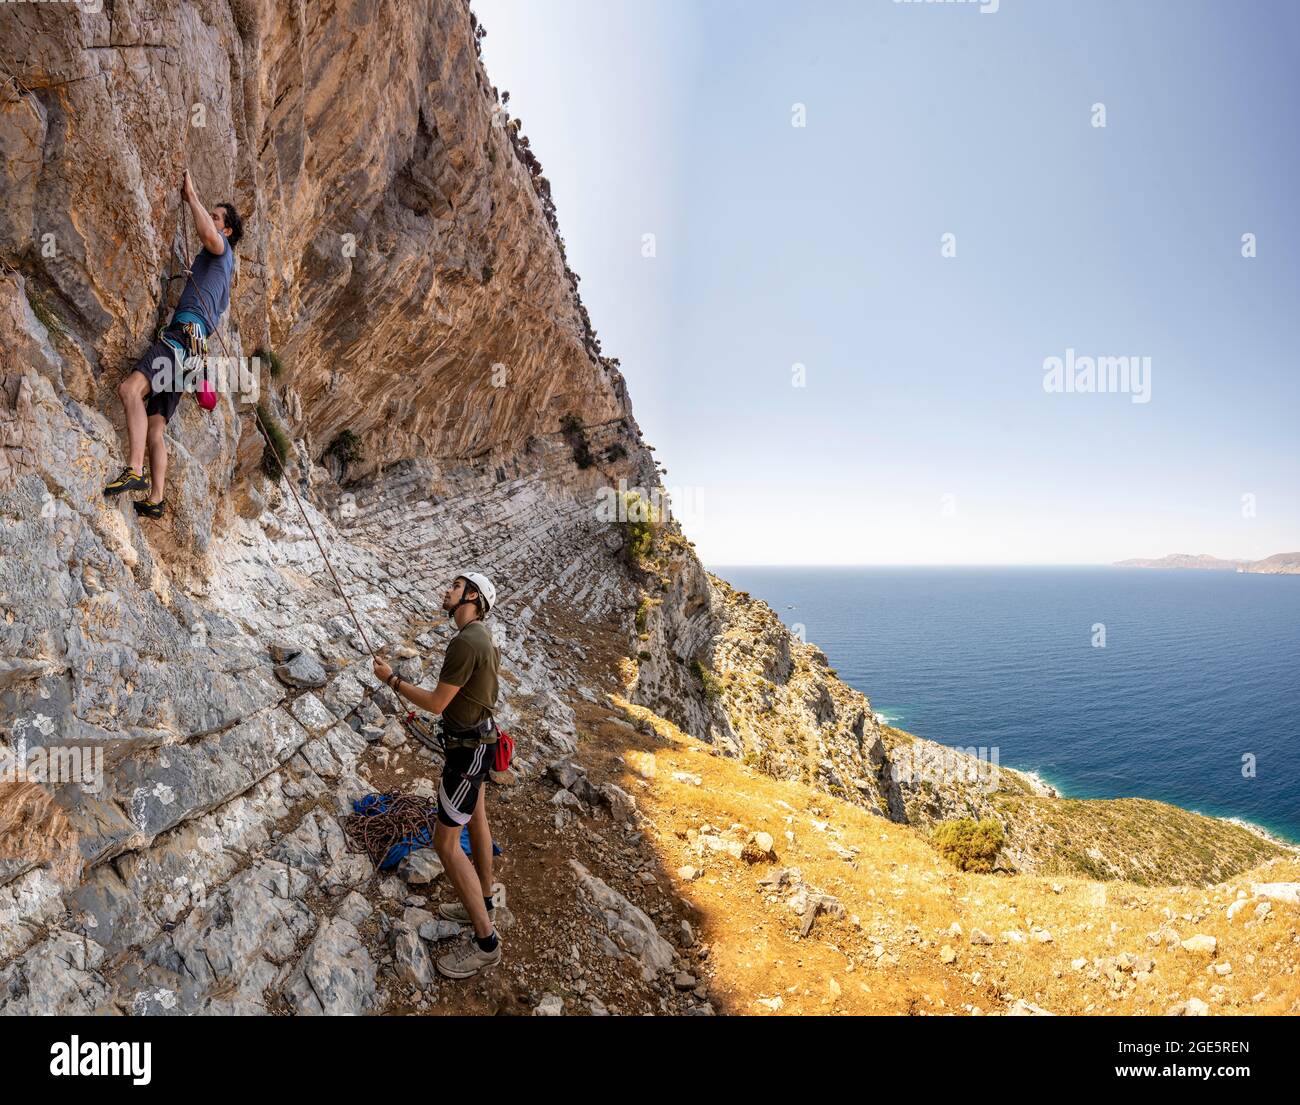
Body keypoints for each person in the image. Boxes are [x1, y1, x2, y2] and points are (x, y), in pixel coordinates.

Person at [374, 571, 504, 979]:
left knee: (445, 843)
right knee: (477, 819)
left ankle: (486, 941)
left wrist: (392, 679)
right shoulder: (481, 637)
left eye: (454, 587)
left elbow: (435, 702)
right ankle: (483, 901)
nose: (446, 591)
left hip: (465, 756)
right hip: (480, 746)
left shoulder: (466, 642)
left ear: (473, 597)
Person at [103, 170, 242, 519]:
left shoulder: (221, 250)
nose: (211, 220)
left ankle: (134, 469)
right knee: (156, 427)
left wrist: (191, 195)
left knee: (130, 390)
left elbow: (207, 235)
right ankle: (156, 498)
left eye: (217, 217)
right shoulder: (224, 276)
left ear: (226, 230)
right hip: (194, 355)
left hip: (181, 339)